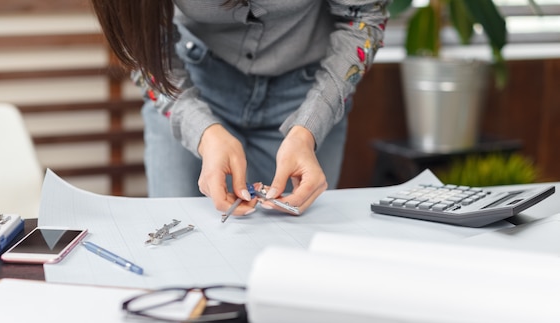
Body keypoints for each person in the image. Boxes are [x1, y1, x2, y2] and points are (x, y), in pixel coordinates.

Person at [91, 0, 390, 217]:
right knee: (178, 239)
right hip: (188, 87)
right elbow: (140, 43)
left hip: (308, 90)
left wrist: (308, 128)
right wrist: (202, 131)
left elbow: (363, 18)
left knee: (288, 255)